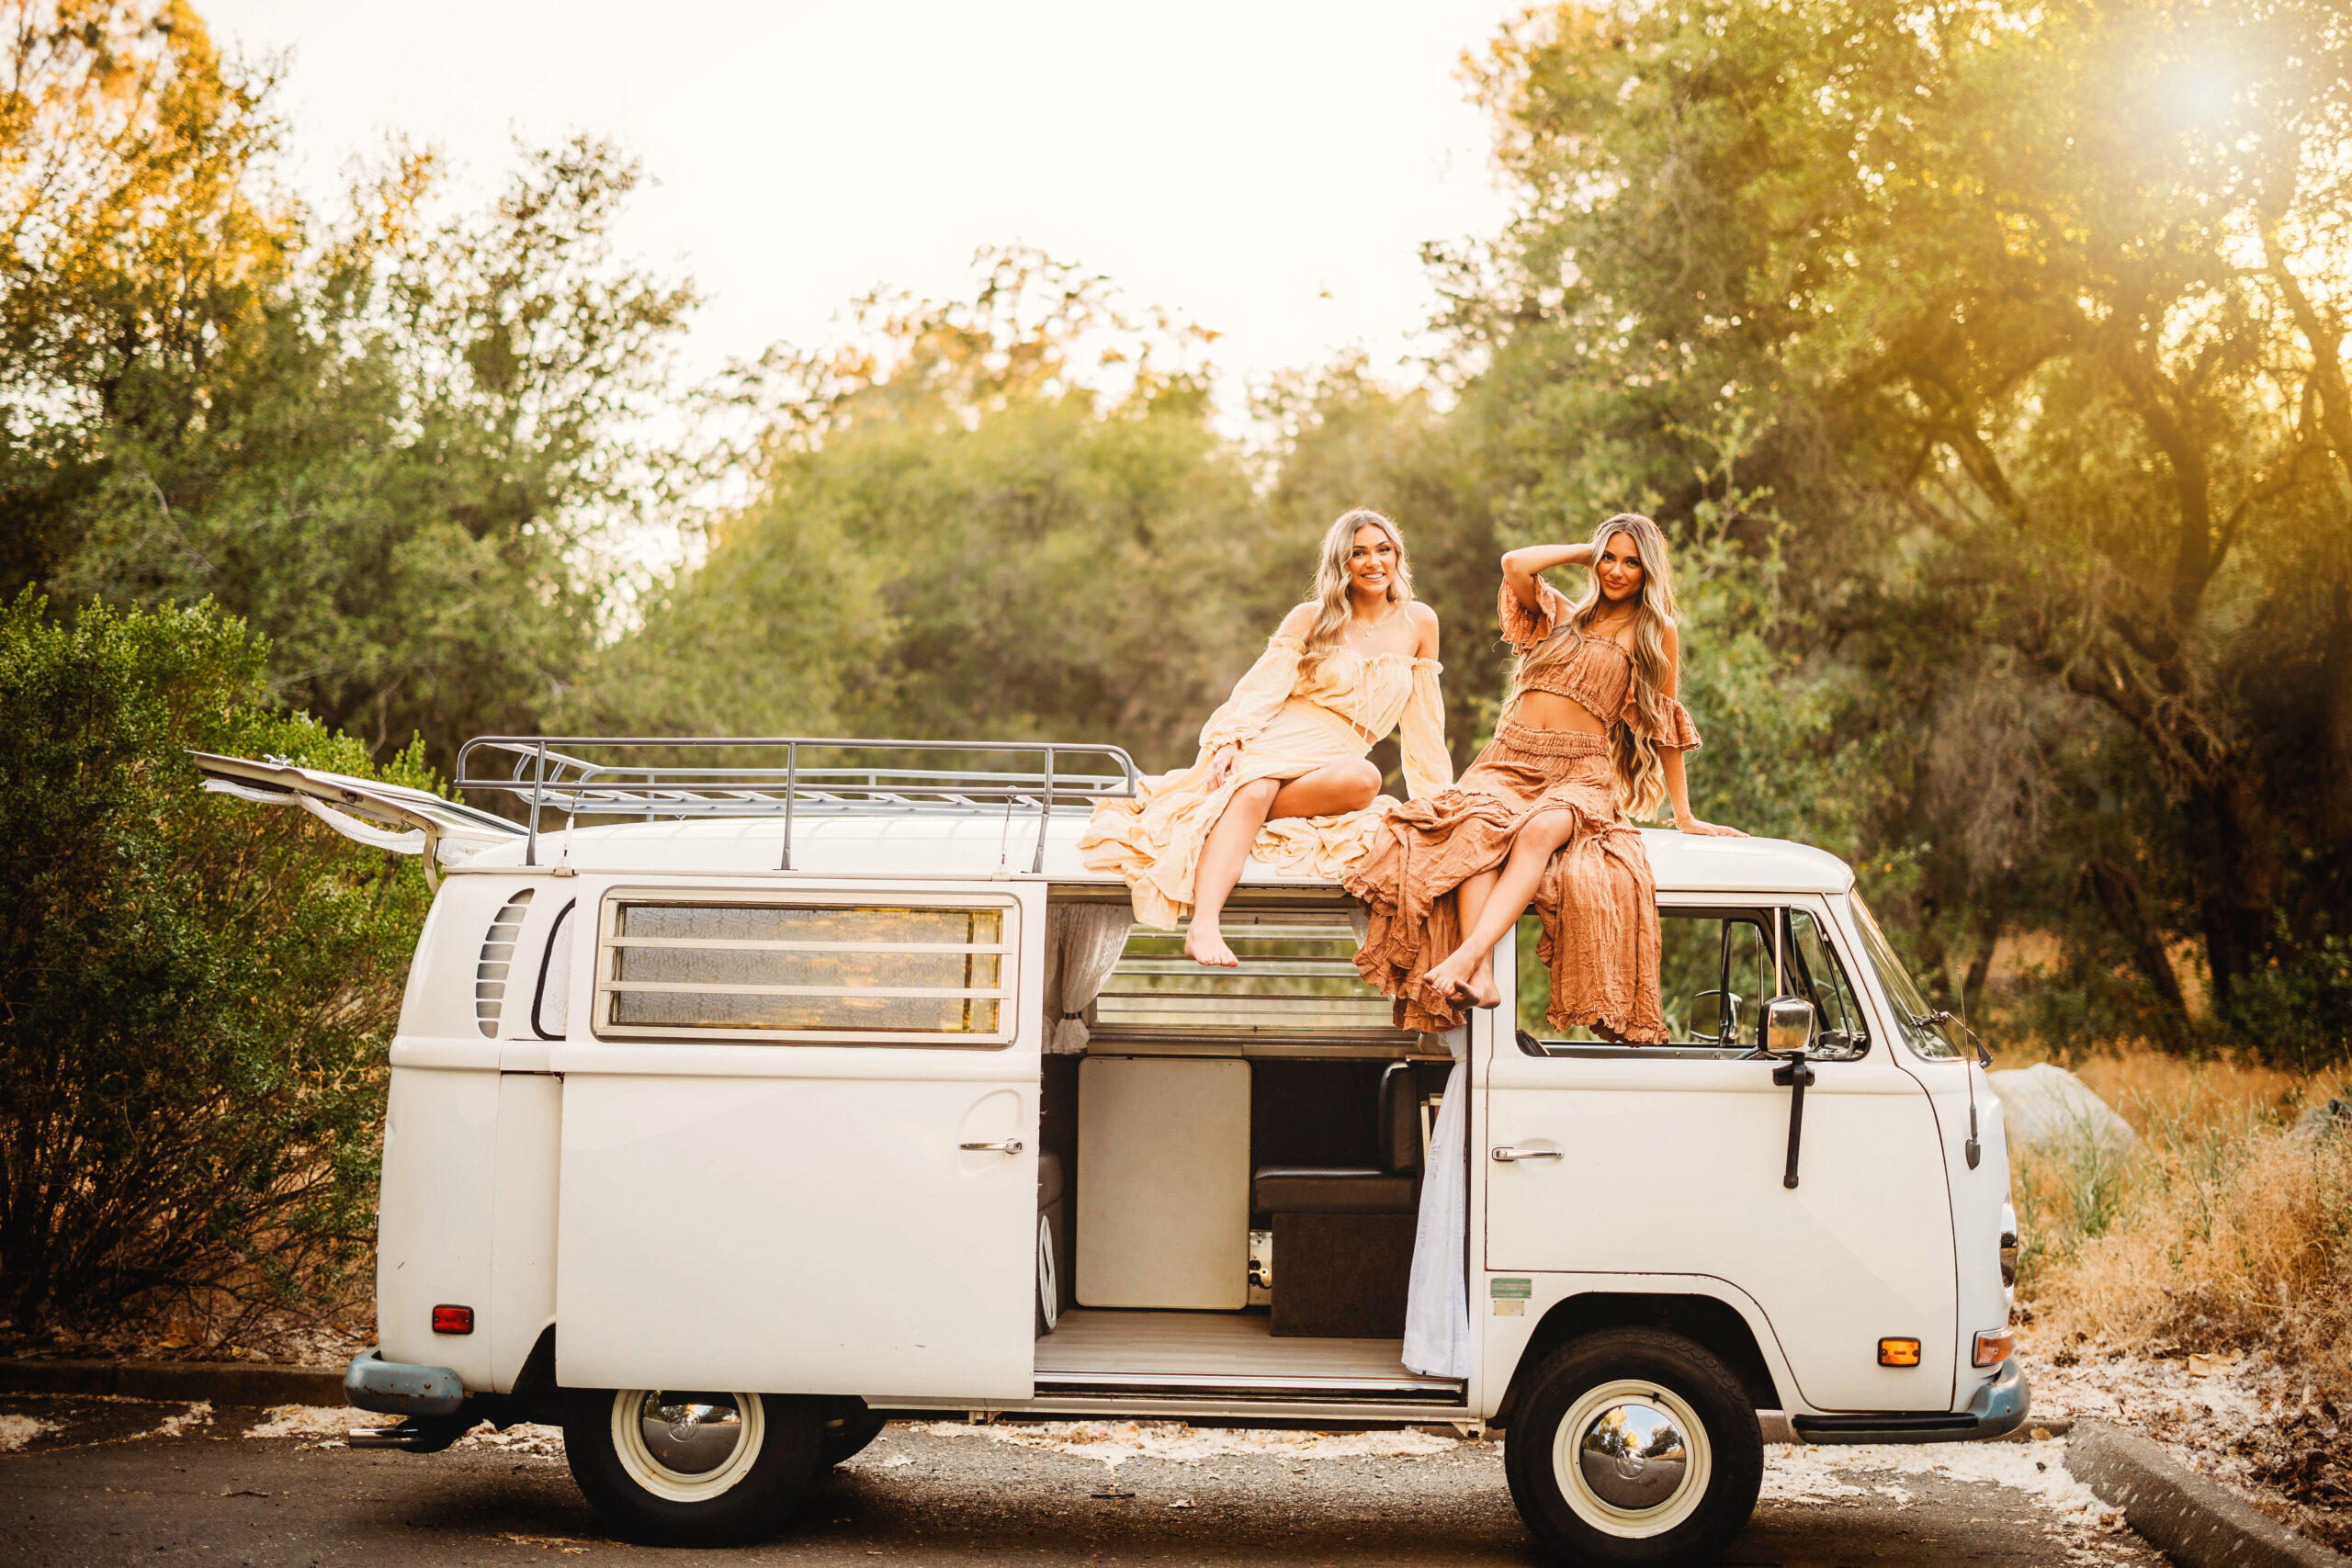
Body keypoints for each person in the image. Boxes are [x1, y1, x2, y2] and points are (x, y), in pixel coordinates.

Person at [1348, 513, 1744, 1040]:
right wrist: (1589, 550)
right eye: (1610, 558)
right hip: (1509, 756)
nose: (1618, 571)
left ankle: (1467, 956)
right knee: (1470, 832)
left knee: (1535, 832)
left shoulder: (1655, 631)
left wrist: (1685, 814)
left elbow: (1666, 723)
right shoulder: (1561, 613)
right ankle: (1483, 978)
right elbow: (1515, 564)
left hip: (1579, 770)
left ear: (1649, 571)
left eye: (1631, 562)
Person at [1080, 509, 1453, 960]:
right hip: (1281, 734)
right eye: (1359, 553)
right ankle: (1203, 926)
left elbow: (1425, 721)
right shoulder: (1311, 618)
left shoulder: (1420, 622)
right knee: (1254, 788)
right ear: (1343, 563)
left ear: (1397, 556)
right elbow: (1262, 687)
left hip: (1341, 752)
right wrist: (1232, 740)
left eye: (1383, 550)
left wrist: (1437, 797)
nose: (1373, 562)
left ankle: (1228, 812)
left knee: (1365, 780)